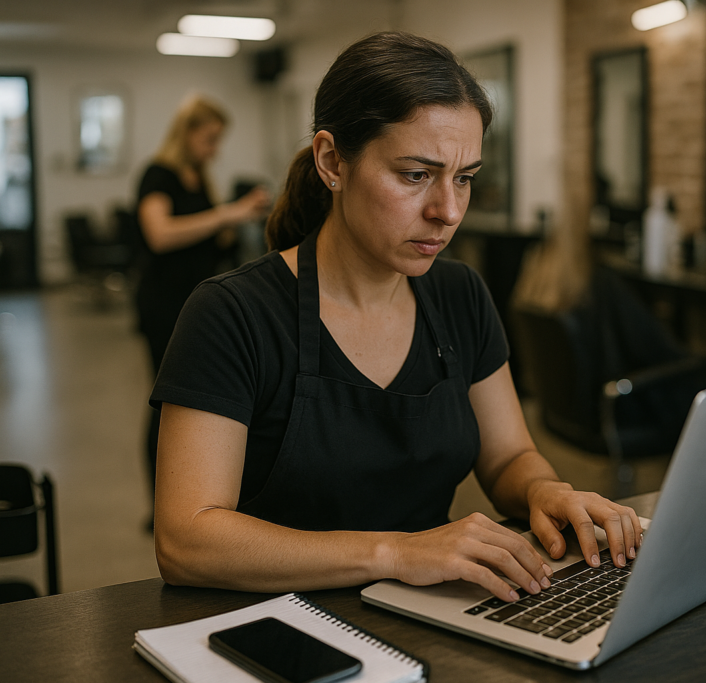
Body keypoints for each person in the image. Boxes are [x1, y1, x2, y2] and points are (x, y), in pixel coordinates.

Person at [151, 32, 642, 602]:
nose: (448, 211)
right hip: (274, 627)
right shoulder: (232, 315)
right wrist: (397, 552)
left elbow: (508, 455)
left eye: (464, 178)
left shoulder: (460, 295)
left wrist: (542, 489)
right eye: (415, 175)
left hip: (428, 615)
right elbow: (186, 541)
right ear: (333, 161)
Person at [135, 95, 270, 516]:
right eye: (210, 139)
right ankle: (163, 504)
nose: (214, 149)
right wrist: (227, 214)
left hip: (197, 304)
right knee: (168, 402)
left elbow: (209, 241)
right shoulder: (159, 175)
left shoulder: (200, 177)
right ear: (188, 133)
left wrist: (238, 221)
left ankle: (195, 492)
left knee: (200, 403)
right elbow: (161, 234)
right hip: (163, 303)